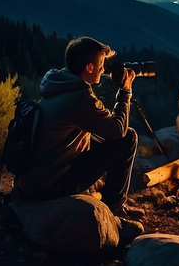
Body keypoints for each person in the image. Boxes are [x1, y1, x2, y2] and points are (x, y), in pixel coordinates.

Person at [15, 36, 143, 225]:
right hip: (50, 184)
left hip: (36, 177)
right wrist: (125, 92)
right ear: (89, 67)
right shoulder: (79, 98)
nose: (103, 69)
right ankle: (114, 207)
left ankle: (112, 201)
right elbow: (117, 131)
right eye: (101, 64)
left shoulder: (58, 83)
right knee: (127, 138)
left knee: (110, 142)